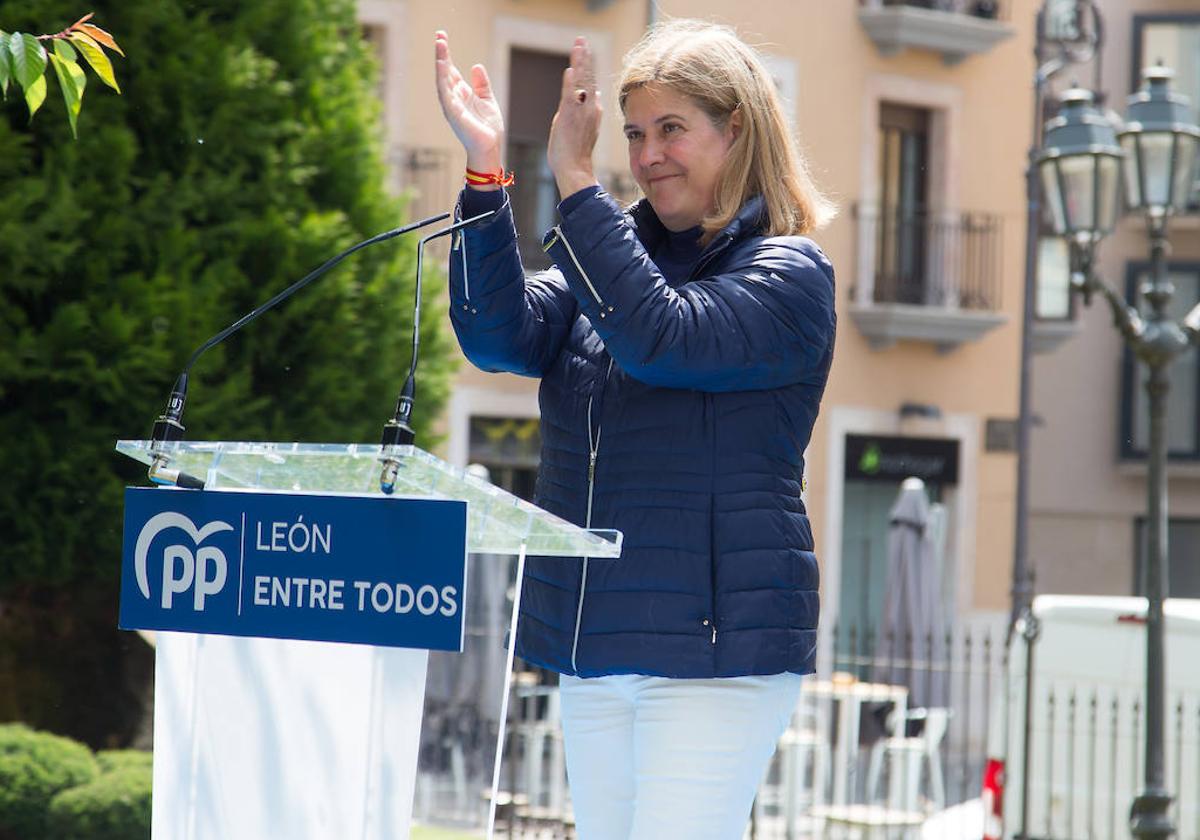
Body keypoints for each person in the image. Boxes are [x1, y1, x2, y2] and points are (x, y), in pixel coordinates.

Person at [434, 19, 836, 840]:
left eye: (672, 129)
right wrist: (485, 176)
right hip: (596, 645)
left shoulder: (790, 273)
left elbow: (661, 336)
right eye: (634, 133)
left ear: (738, 131)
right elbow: (496, 336)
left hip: (713, 660)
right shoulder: (610, 265)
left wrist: (578, 179)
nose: (647, 154)